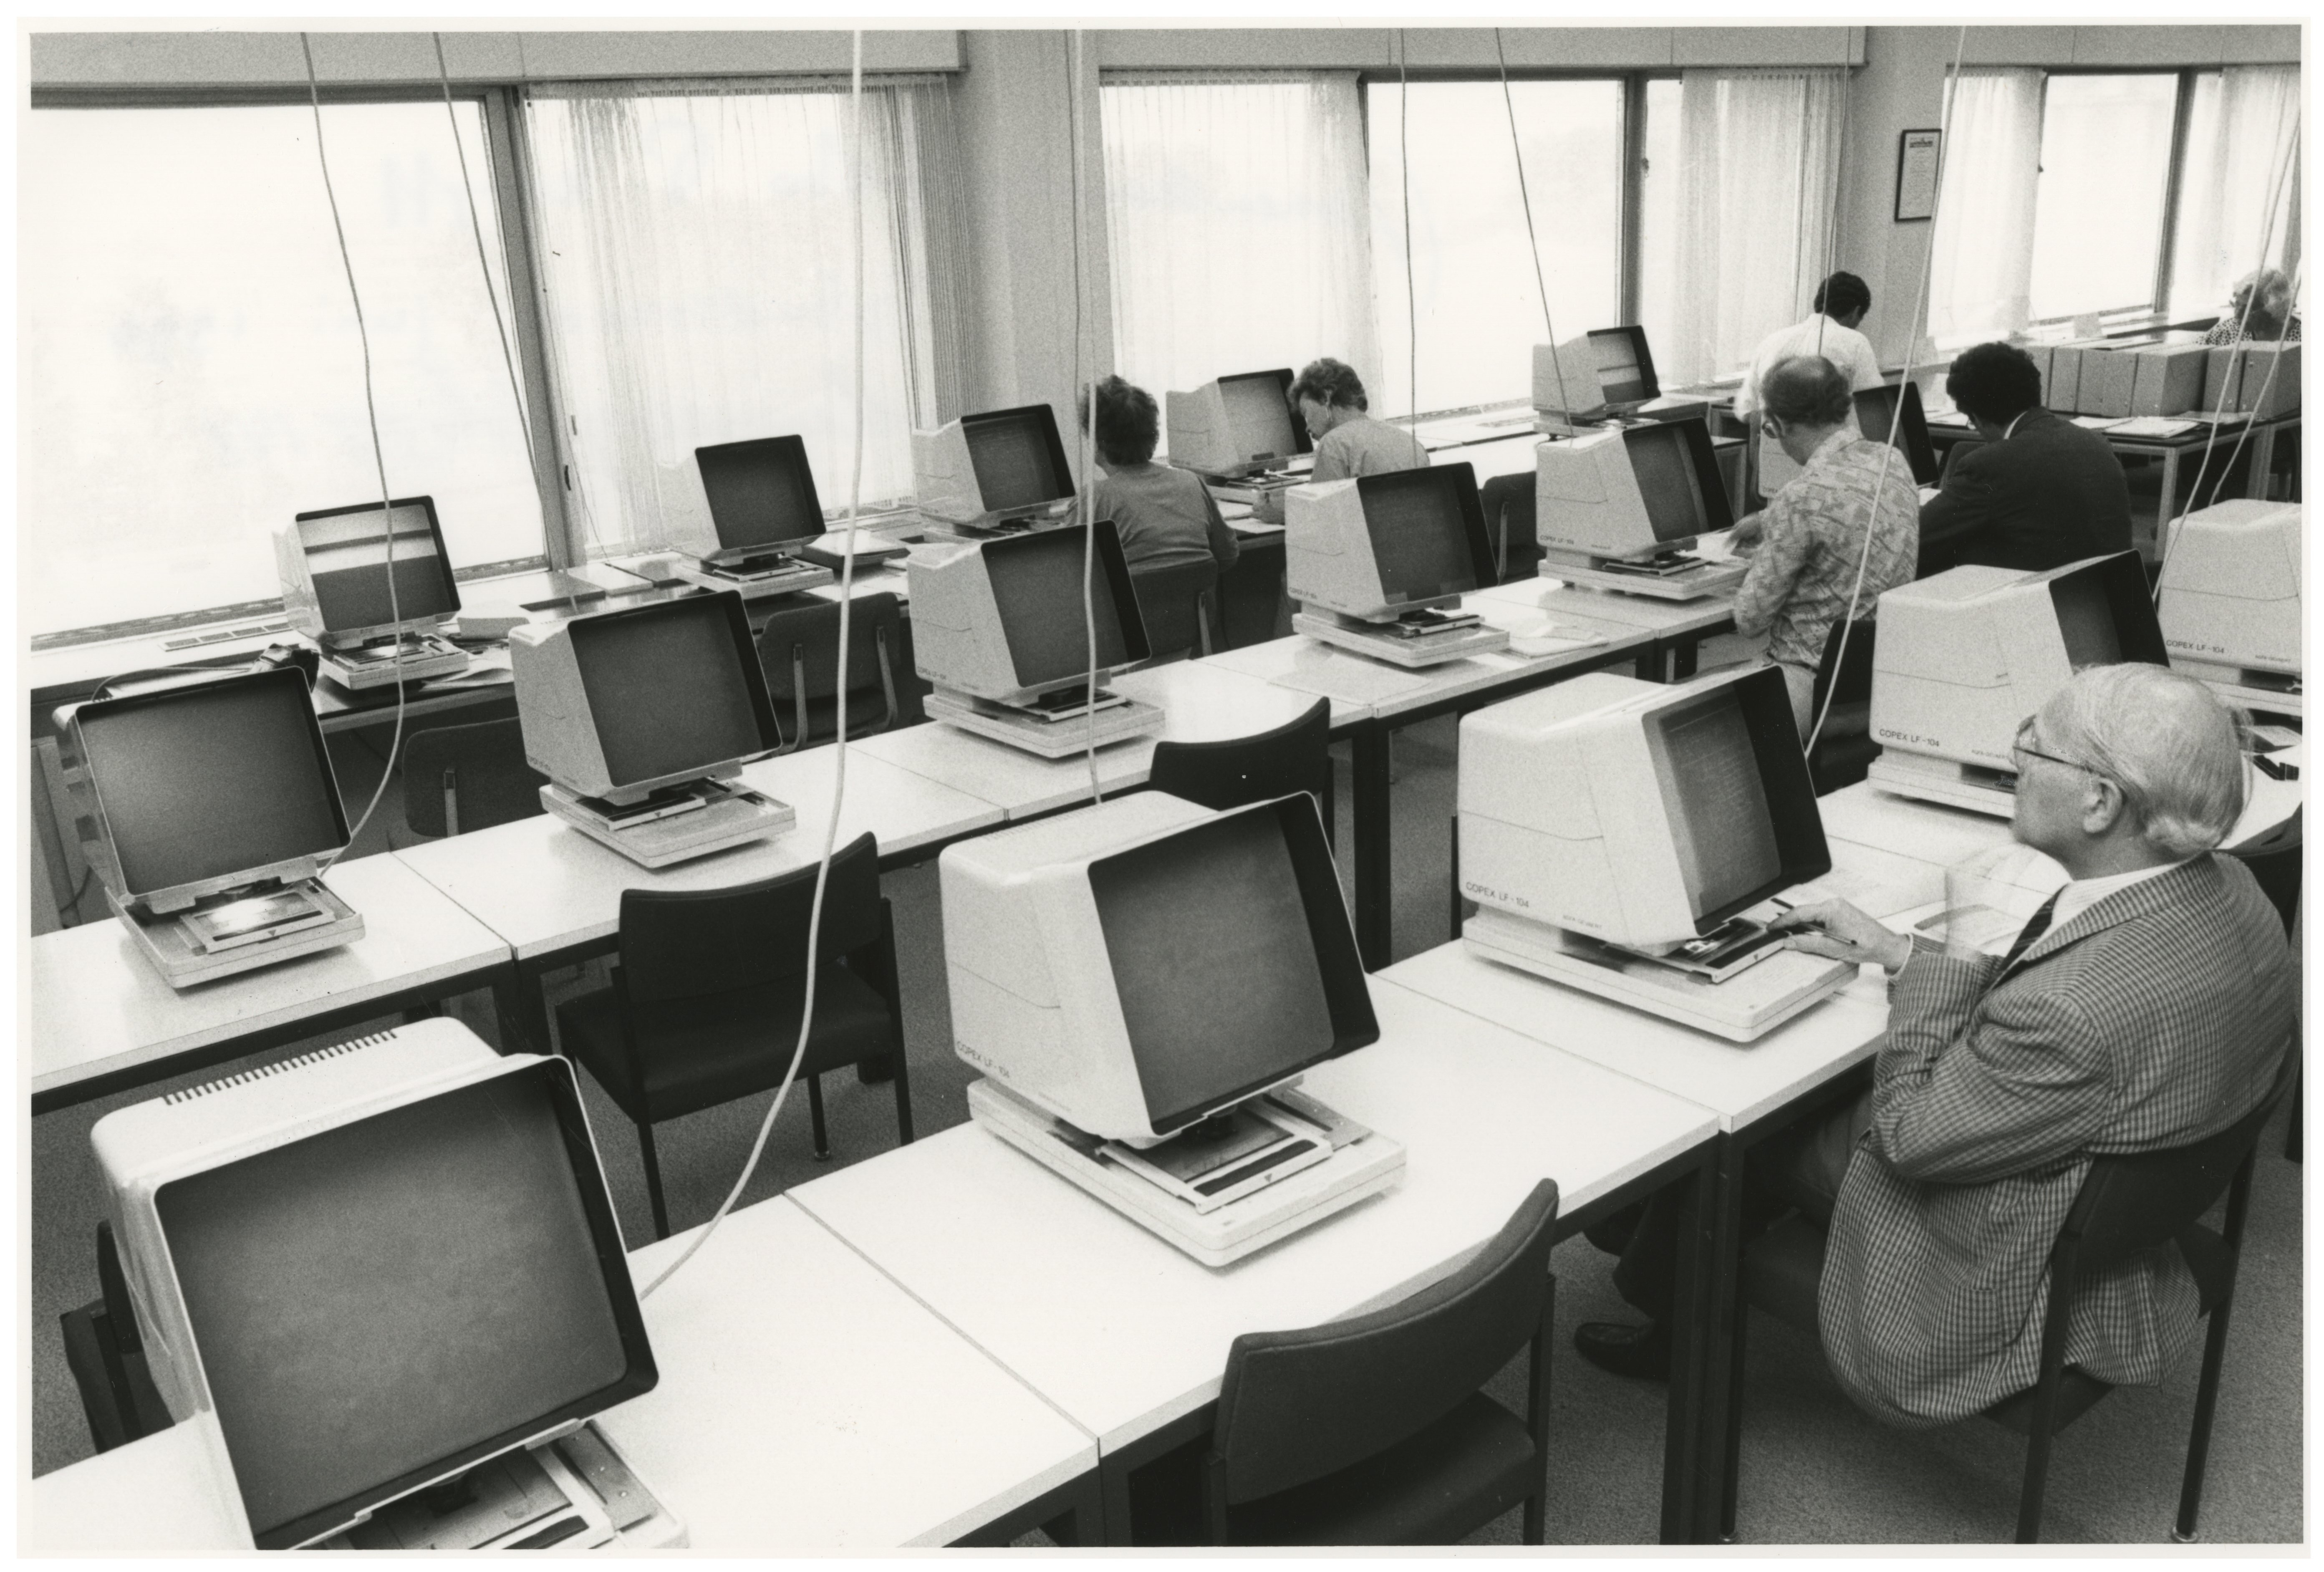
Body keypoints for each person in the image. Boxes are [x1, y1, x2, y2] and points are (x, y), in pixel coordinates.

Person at [1574, 664, 2294, 1431]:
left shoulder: (2067, 1012)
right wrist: (1899, 953)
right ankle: (1654, 1251)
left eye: (2035, 747)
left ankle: (1668, 1311)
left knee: (1741, 1119)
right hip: (2092, 1171)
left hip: (1988, 1238)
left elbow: (1909, 1138)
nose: (2015, 756)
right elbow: (2073, 1006)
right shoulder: (2233, 891)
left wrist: (1953, 946)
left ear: (2099, 802)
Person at [1727, 354, 1919, 739]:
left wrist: (1763, 561)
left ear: (1778, 424)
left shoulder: (1800, 497)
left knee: (1678, 705)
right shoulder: (1892, 462)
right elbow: (1849, 506)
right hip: (1875, 682)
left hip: (1807, 684)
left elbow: (1749, 621)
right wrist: (1768, 523)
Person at [1914, 341, 2131, 577]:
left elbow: (1919, 535)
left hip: (2031, 600)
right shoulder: (2096, 443)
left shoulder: (1990, 465)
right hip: (2102, 591)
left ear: (1978, 416)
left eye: (1971, 421)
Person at [1734, 272, 1885, 501]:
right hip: (1832, 476)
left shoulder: (1772, 341)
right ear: (1856, 312)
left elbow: (1748, 411)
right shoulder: (1855, 343)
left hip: (1776, 471)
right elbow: (1874, 412)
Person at [1078, 375, 1240, 578]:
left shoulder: (1095, 499)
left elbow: (1067, 573)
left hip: (1129, 609)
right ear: (1153, 434)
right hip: (1196, 609)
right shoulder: (1191, 483)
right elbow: (1227, 556)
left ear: (1096, 442)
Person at [1251, 358, 1428, 524]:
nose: (1307, 428)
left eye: (1306, 413)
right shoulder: (1407, 440)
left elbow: (1322, 516)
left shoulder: (1334, 442)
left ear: (1325, 397)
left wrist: (1280, 514)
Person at [2204, 267, 2302, 345]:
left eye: (2247, 309)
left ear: (2276, 307)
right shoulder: (2226, 332)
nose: (2237, 315)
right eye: (2237, 305)